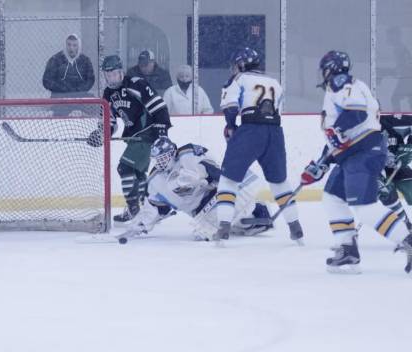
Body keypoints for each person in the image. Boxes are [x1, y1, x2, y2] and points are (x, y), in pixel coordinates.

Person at [300, 51, 412, 274]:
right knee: (332, 198)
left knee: (365, 207)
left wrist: (336, 130)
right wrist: (321, 162)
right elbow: (339, 138)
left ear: (331, 68)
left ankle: (407, 240)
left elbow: (357, 113)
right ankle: (348, 251)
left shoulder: (339, 83)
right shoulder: (347, 87)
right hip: (353, 154)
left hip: (363, 152)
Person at [212, 47, 303, 244]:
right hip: (275, 133)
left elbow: (230, 106)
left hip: (250, 131)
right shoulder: (275, 82)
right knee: (280, 182)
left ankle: (224, 226)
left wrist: (230, 125)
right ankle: (295, 227)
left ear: (241, 64)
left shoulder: (239, 79)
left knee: (228, 179)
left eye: (235, 65)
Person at [124, 136, 272, 241]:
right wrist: (143, 224)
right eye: (158, 159)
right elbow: (157, 208)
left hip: (214, 196)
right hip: (200, 212)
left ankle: (256, 211)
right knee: (209, 232)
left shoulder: (187, 155)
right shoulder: (156, 180)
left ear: (173, 152)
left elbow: (214, 171)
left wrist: (225, 187)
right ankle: (250, 219)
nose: (161, 163)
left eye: (164, 157)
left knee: (212, 229)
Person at [87, 55, 171, 222]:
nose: (111, 79)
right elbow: (109, 122)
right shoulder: (108, 93)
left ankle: (134, 209)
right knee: (138, 175)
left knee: (124, 168)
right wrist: (101, 134)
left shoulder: (136, 83)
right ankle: (143, 209)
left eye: (114, 74)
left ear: (121, 72)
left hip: (148, 133)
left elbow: (159, 106)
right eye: (107, 75)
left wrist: (162, 132)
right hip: (134, 137)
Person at [42, 33, 95, 116]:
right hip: (60, 96)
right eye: (69, 44)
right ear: (65, 45)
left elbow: (90, 79)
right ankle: (55, 112)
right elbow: (46, 80)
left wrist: (78, 90)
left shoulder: (85, 61)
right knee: (60, 114)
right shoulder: (55, 59)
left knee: (92, 104)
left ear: (79, 46)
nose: (71, 48)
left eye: (74, 45)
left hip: (79, 96)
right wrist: (62, 88)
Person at [377, 113, 412, 231]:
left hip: (398, 165)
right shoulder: (357, 128)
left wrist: (409, 147)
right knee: (387, 195)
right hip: (374, 170)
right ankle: (407, 229)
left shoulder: (394, 121)